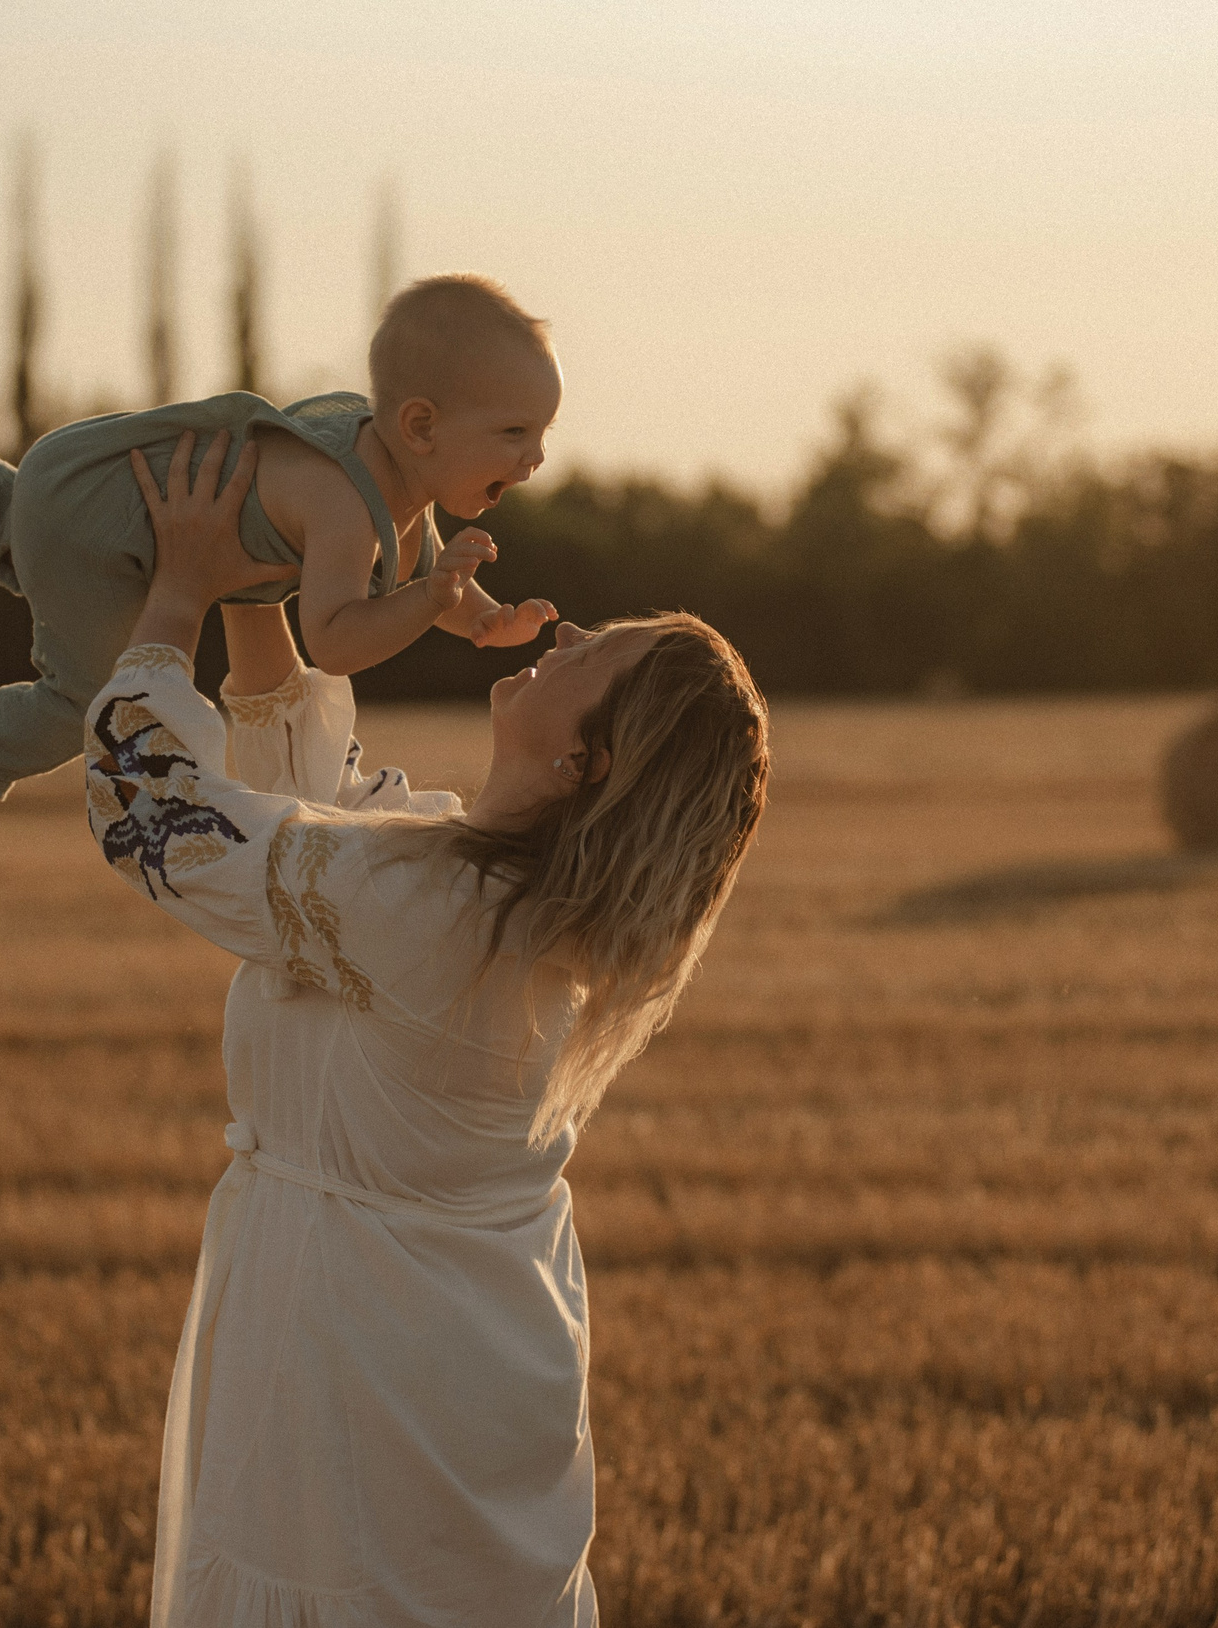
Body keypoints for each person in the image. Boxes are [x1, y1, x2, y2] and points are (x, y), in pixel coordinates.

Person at [89, 428, 769, 1624]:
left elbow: (159, 813)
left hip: (358, 1379)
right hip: (434, 1360)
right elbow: (315, 799)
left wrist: (176, 594)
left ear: (585, 756)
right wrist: (268, 568)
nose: (561, 634)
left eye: (593, 653)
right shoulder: (490, 904)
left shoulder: (438, 916)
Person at [0, 273, 567, 834]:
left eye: (540, 434)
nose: (535, 457)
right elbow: (334, 640)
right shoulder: (343, 505)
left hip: (88, 486)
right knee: (90, 698)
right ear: (422, 426)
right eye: (514, 434)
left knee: (18, 531)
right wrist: (430, 598)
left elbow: (419, 568)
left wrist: (482, 617)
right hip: (104, 525)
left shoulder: (394, 478)